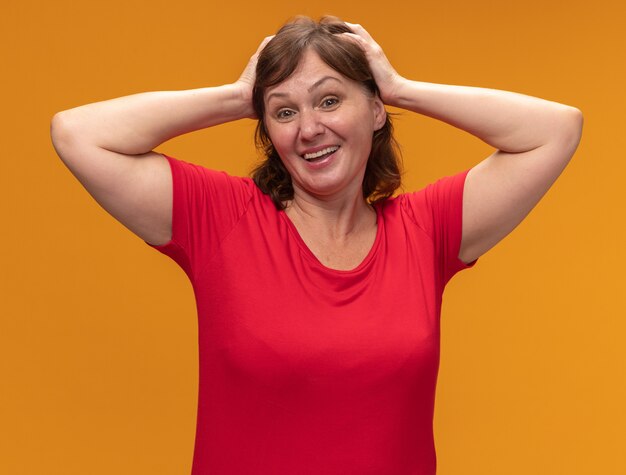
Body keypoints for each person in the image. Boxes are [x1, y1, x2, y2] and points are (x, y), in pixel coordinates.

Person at [50, 15, 583, 475]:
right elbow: (78, 133)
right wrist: (239, 96)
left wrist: (400, 89)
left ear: (375, 112)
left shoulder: (426, 230)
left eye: (330, 100)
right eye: (284, 112)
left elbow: (555, 129)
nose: (309, 128)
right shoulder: (220, 219)